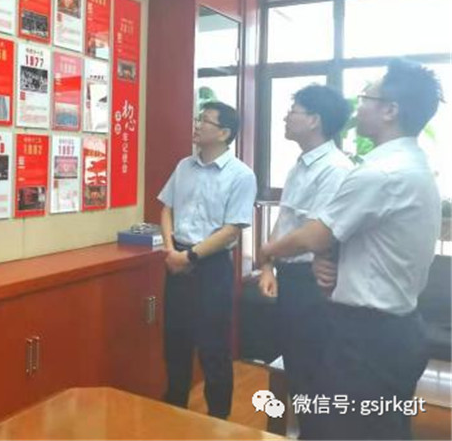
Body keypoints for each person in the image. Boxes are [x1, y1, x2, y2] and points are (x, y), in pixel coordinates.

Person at [260, 59, 443, 440]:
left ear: (390, 111)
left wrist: (268, 251)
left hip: (368, 337)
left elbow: (316, 235)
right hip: (392, 328)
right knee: (376, 429)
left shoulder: (380, 172)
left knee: (347, 429)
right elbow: (363, 239)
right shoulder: (411, 164)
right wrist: (327, 261)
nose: (358, 108)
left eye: (365, 98)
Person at [258, 84, 352, 438]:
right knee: (297, 369)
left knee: (315, 375)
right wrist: (268, 266)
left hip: (315, 285)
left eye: (293, 111)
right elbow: (286, 220)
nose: (286, 117)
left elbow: (314, 234)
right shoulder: (301, 165)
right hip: (292, 278)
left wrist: (268, 252)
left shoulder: (335, 169)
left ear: (315, 120)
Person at [158, 101, 257, 419]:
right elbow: (167, 208)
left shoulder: (241, 175)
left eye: (205, 120)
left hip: (211, 267)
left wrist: (190, 256)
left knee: (213, 348)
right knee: (175, 342)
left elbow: (231, 230)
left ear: (224, 133)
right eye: (198, 118)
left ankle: (218, 420)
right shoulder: (184, 166)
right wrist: (170, 249)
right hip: (176, 260)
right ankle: (174, 413)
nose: (197, 125)